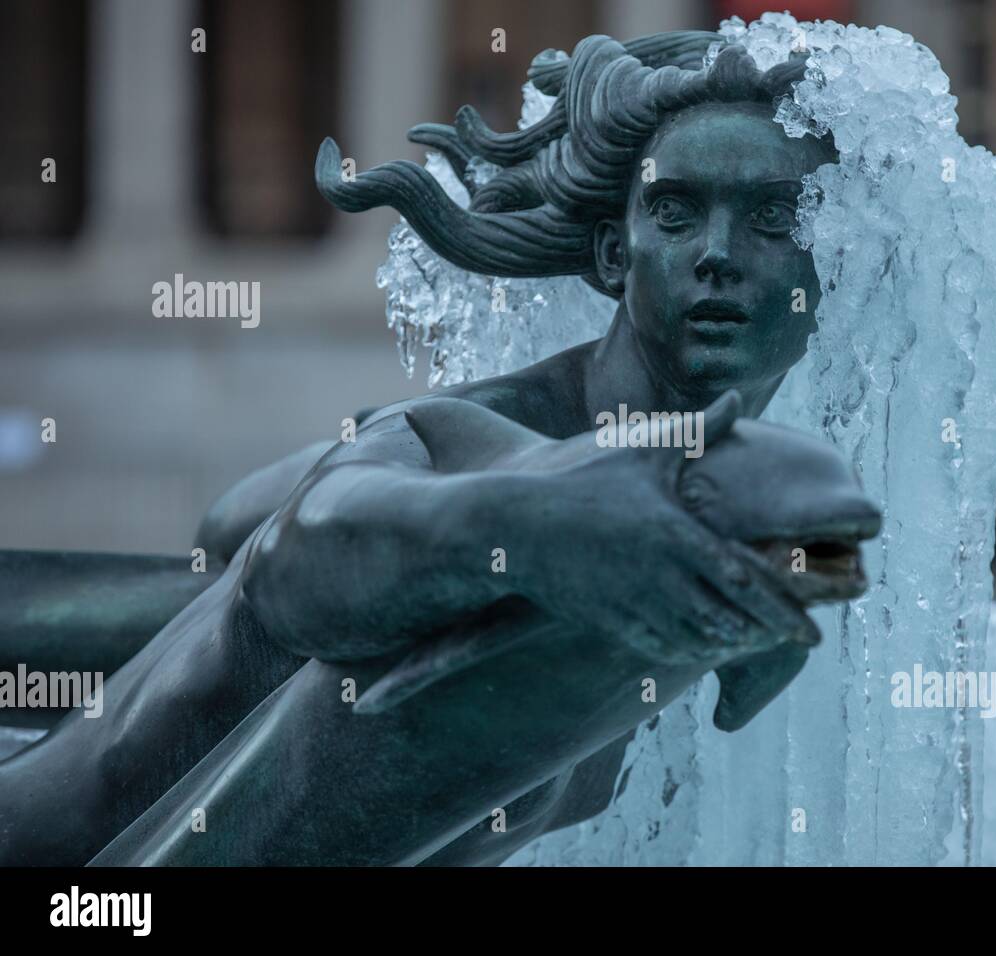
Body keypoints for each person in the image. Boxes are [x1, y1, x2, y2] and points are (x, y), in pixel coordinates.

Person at [0, 33, 857, 866]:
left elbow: (225, 540)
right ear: (610, 252)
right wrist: (540, 524)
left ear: (830, 266)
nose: (717, 256)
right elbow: (297, 556)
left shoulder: (729, 525)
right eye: (674, 212)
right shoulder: (468, 441)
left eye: (772, 218)